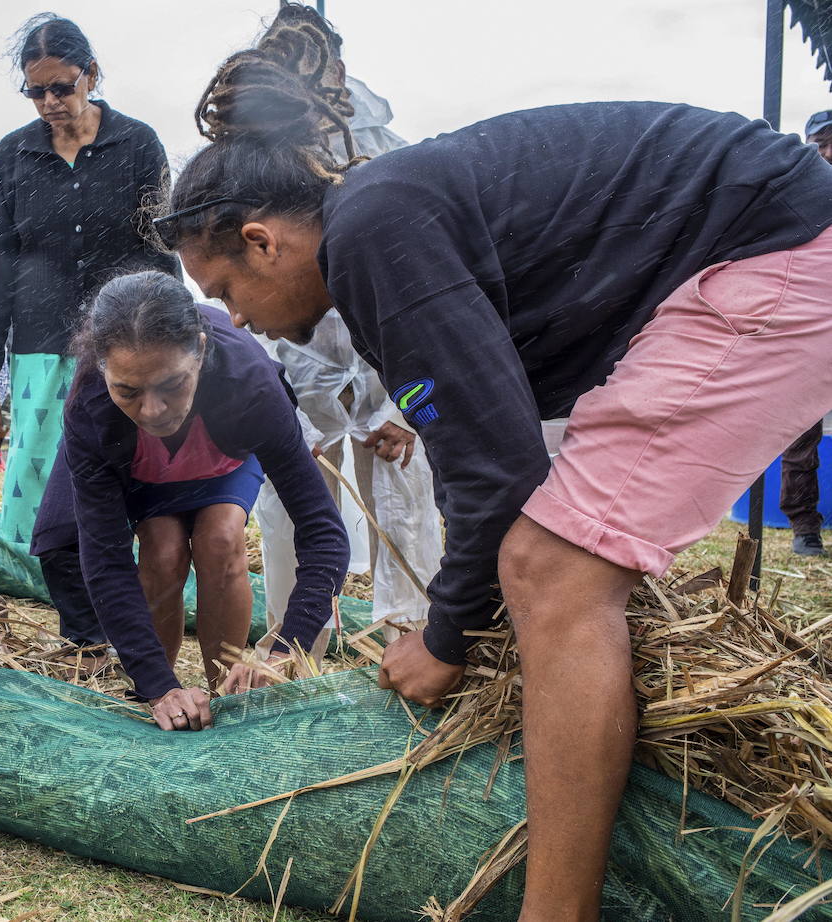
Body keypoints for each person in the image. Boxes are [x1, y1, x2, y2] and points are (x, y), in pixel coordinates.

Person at [155, 16, 832, 918]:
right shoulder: (381, 215)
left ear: (262, 239)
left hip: (776, 250)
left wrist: (443, 641)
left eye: (226, 292)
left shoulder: (373, 232)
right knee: (539, 560)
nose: (235, 320)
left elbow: (500, 469)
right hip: (766, 238)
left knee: (551, 572)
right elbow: (477, 442)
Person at [39, 271, 348, 730]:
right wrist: (156, 686)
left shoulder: (250, 382)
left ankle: (224, 692)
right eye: (129, 391)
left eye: (171, 385)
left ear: (201, 351)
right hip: (143, 469)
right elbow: (105, 559)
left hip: (221, 456)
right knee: (161, 551)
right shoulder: (91, 405)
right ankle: (163, 694)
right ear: (104, 369)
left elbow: (323, 532)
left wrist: (285, 651)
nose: (152, 411)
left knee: (221, 540)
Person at [244, 2, 441, 644]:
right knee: (292, 494)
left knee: (401, 490)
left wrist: (403, 405)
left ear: (338, 71)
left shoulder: (387, 157)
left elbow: (419, 281)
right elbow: (250, 287)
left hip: (386, 352)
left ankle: (409, 639)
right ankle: (297, 642)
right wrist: (292, 411)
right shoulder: (254, 167)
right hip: (295, 354)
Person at [0, 13, 180, 547]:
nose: (49, 103)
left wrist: (177, 344)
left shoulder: (137, 144)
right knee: (36, 477)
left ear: (91, 73)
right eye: (35, 92)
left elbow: (161, 252)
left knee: (123, 465)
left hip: (123, 346)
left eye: (61, 87)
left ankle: (124, 580)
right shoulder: (12, 156)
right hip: (40, 346)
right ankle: (45, 582)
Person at [778, 111, 832, 557]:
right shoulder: (798, 194)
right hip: (810, 328)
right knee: (800, 434)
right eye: (821, 143)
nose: (828, 151)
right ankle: (804, 528)